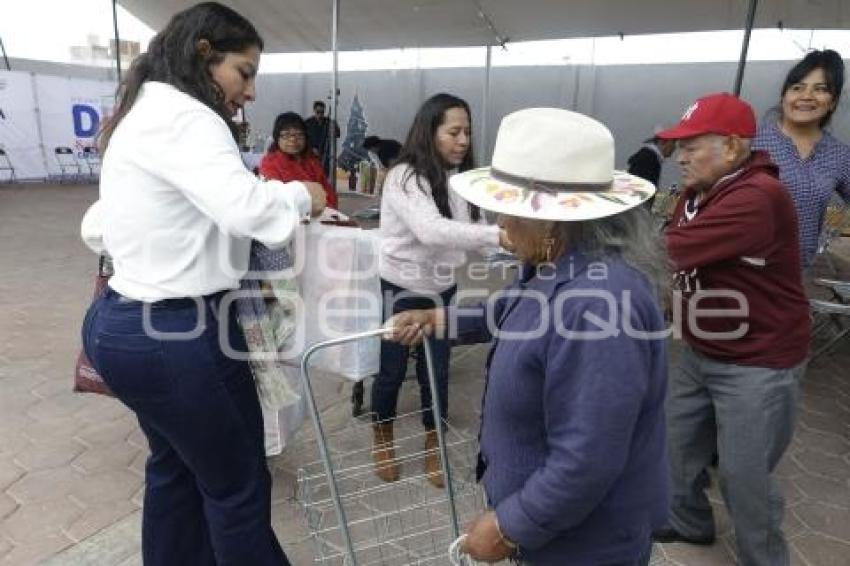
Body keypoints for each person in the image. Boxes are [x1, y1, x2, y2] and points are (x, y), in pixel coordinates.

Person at [78, 4, 326, 565]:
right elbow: (249, 211)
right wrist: (299, 196)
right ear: (204, 54)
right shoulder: (188, 117)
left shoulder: (142, 111)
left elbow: (99, 224)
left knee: (175, 470)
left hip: (122, 323)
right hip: (178, 334)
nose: (251, 91)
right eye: (244, 72)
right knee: (238, 490)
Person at [385, 107, 669, 565]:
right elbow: (514, 311)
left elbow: (587, 458)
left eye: (507, 212)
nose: (500, 225)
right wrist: (439, 320)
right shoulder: (558, 264)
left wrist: (510, 526)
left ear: (551, 221)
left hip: (583, 546)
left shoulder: (599, 305)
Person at [652, 93, 811, 566]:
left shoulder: (757, 197)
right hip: (703, 345)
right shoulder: (697, 192)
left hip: (758, 359)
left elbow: (668, 252)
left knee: (744, 473)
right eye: (679, 148)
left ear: (733, 147)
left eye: (691, 147)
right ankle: (688, 520)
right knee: (677, 444)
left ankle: (765, 558)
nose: (680, 157)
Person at [371, 93, 509, 488]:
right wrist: (498, 236)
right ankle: (383, 437)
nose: (463, 140)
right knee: (392, 369)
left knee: (437, 369)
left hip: (442, 289)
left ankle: (434, 443)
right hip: (400, 287)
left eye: (467, 132)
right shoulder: (404, 177)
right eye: (454, 132)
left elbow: (478, 232)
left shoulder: (462, 181)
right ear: (429, 131)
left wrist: (516, 249)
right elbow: (431, 230)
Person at [753, 49, 850, 268]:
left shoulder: (839, 155)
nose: (806, 96)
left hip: (796, 274)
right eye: (797, 87)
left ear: (833, 102)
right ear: (784, 96)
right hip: (741, 269)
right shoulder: (751, 142)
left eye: (820, 89)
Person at [260, 111, 338, 209]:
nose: (293, 139)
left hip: (322, 213)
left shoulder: (312, 161)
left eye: (299, 134)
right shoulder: (270, 163)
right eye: (286, 135)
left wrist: (327, 211)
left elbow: (328, 193)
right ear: (277, 138)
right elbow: (276, 199)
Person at [304, 99, 340, 176]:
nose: (320, 115)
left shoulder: (329, 122)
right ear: (314, 111)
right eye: (318, 112)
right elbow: (304, 139)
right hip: (311, 156)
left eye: (322, 112)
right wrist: (311, 148)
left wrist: (333, 126)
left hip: (326, 156)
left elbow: (337, 134)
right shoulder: (308, 123)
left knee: (325, 175)